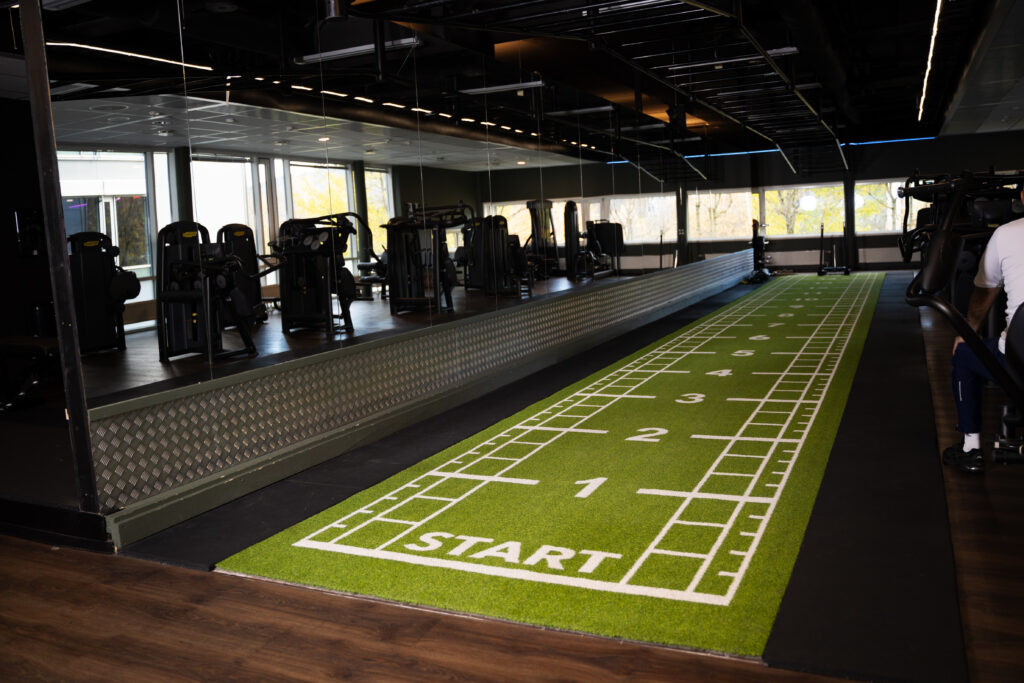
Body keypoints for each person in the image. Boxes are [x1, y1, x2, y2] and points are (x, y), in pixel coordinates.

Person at [944, 186, 1024, 472]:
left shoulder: (1006, 234)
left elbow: (985, 292)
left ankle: (971, 448)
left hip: (1017, 360)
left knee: (964, 353)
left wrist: (969, 331)